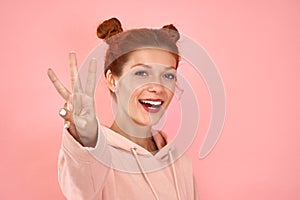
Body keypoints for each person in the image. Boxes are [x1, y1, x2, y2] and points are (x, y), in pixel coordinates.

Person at [48, 17, 199, 200]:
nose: (157, 87)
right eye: (141, 73)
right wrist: (86, 139)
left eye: (168, 75)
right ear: (113, 80)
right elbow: (80, 187)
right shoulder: (100, 159)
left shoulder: (180, 161)